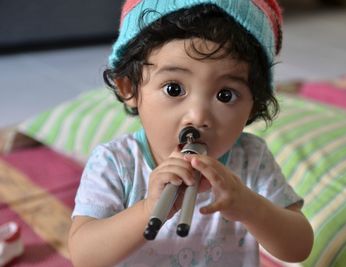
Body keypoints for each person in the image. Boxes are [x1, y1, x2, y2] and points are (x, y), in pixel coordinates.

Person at [68, 1, 314, 266]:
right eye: (174, 88)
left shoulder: (251, 159)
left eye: (225, 95)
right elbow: (84, 255)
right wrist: (147, 209)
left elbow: (299, 248)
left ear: (253, 103)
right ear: (129, 87)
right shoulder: (116, 162)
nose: (198, 116)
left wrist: (249, 207)